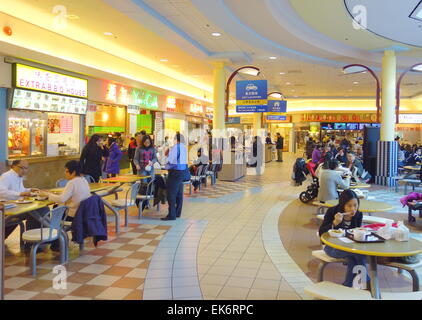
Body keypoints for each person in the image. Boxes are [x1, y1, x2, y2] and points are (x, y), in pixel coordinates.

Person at [319, 190, 370, 288]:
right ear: (343, 205)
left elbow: (355, 232)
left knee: (353, 258)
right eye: (349, 205)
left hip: (349, 247)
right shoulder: (332, 212)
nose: (353, 209)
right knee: (358, 253)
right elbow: (321, 233)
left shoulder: (358, 215)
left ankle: (347, 285)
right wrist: (334, 223)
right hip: (332, 247)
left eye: (355, 205)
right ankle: (366, 279)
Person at [39, 160, 91, 251]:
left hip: (73, 215)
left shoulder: (72, 182)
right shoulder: (84, 180)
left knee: (55, 212)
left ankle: (55, 242)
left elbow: (62, 199)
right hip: (82, 214)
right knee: (56, 209)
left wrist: (47, 195)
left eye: (67, 171)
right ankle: (55, 242)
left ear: (73, 172)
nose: (65, 173)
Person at [0, 160, 47, 243]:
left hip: (17, 206)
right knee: (35, 212)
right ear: (13, 166)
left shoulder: (18, 177)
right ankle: (33, 241)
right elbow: (2, 192)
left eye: (26, 168)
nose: (24, 171)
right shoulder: (6, 176)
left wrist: (29, 189)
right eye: (22, 168)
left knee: (42, 209)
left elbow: (20, 190)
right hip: (8, 208)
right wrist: (21, 193)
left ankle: (41, 239)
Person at [162, 132, 187, 221]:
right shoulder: (184, 148)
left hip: (174, 172)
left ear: (176, 139)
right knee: (179, 194)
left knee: (171, 194)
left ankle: (171, 214)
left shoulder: (176, 147)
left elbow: (171, 160)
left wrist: (165, 166)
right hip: (181, 172)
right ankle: (177, 213)